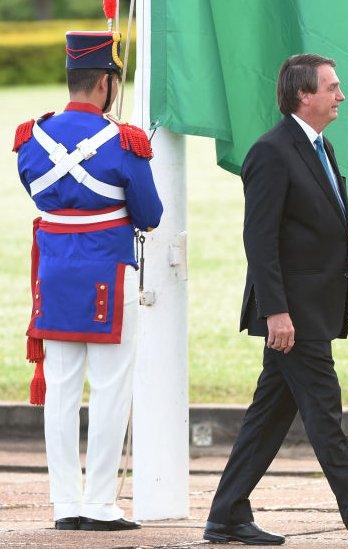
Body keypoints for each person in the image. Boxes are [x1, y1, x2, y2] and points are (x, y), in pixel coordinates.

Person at [203, 54, 348, 547]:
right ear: (305, 95)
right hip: (292, 315)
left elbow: (330, 232)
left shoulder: (320, 147)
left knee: (269, 416)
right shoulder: (271, 153)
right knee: (324, 412)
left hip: (314, 306)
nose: (341, 95)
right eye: (333, 87)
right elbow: (260, 240)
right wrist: (275, 311)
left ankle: (227, 515)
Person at [13, 30, 163, 530]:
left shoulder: (30, 139)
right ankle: (99, 503)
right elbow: (150, 213)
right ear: (106, 83)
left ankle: (64, 504)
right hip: (107, 273)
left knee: (59, 392)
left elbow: (37, 193)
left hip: (53, 275)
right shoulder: (125, 141)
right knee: (110, 389)